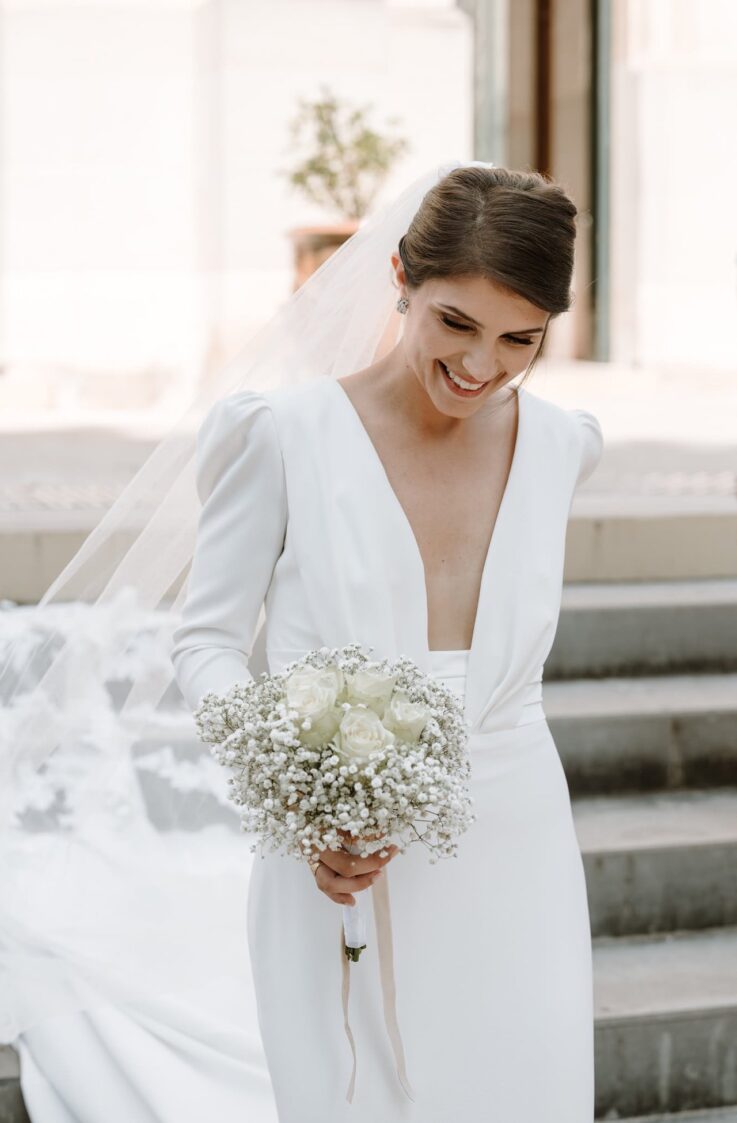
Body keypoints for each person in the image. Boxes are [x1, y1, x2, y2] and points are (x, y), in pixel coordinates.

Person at [9, 162, 603, 1121]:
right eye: (455, 322)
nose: (480, 365)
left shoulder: (562, 446)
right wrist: (300, 792)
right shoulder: (282, 435)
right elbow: (205, 642)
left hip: (517, 847)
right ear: (401, 277)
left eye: (517, 339)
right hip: (333, 850)